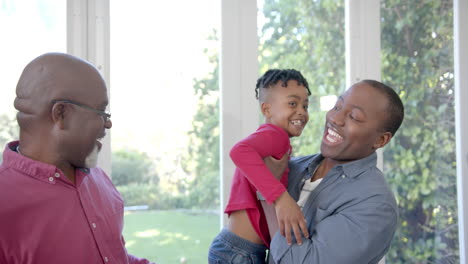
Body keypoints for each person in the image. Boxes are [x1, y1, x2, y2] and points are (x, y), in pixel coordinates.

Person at [0, 53, 155, 264]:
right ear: (61, 114)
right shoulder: (5, 205)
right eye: (101, 112)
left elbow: (113, 256)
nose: (108, 124)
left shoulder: (98, 179)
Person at [264, 80, 404, 264]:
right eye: (337, 106)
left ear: (380, 140)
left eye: (354, 117)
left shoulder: (375, 204)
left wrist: (270, 190)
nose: (335, 118)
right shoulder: (292, 167)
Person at [208, 69, 312, 264]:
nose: (301, 111)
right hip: (240, 253)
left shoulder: (269, 140)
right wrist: (282, 198)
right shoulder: (276, 136)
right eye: (292, 103)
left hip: (235, 248)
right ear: (266, 110)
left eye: (305, 105)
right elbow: (238, 151)